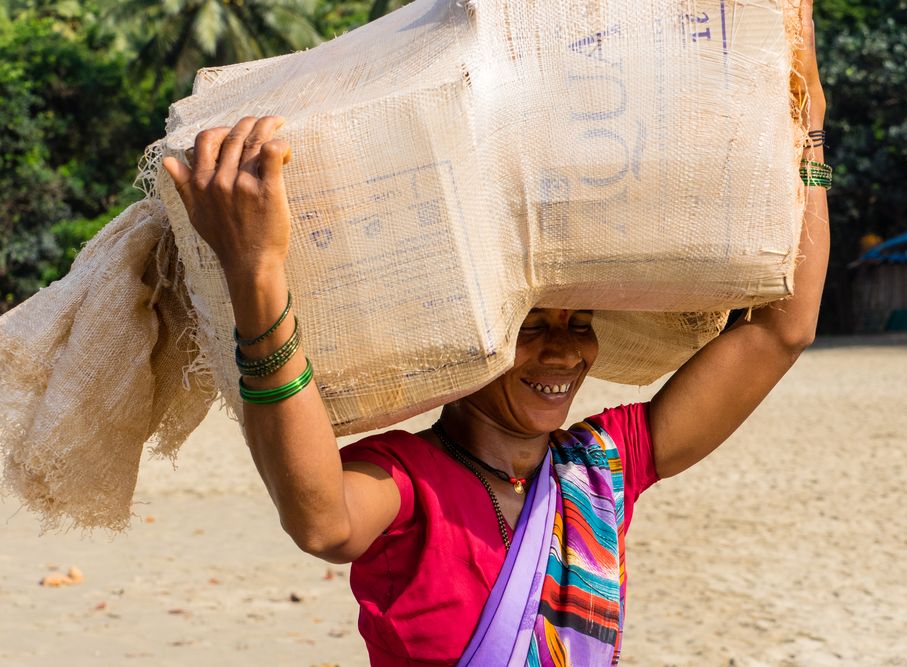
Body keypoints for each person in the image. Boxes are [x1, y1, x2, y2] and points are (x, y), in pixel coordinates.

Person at [162, 2, 829, 663]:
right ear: (470, 332)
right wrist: (257, 271)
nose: (567, 350)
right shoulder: (409, 479)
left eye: (580, 322)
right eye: (534, 325)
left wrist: (811, 133)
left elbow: (781, 331)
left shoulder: (600, 470)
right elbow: (321, 519)